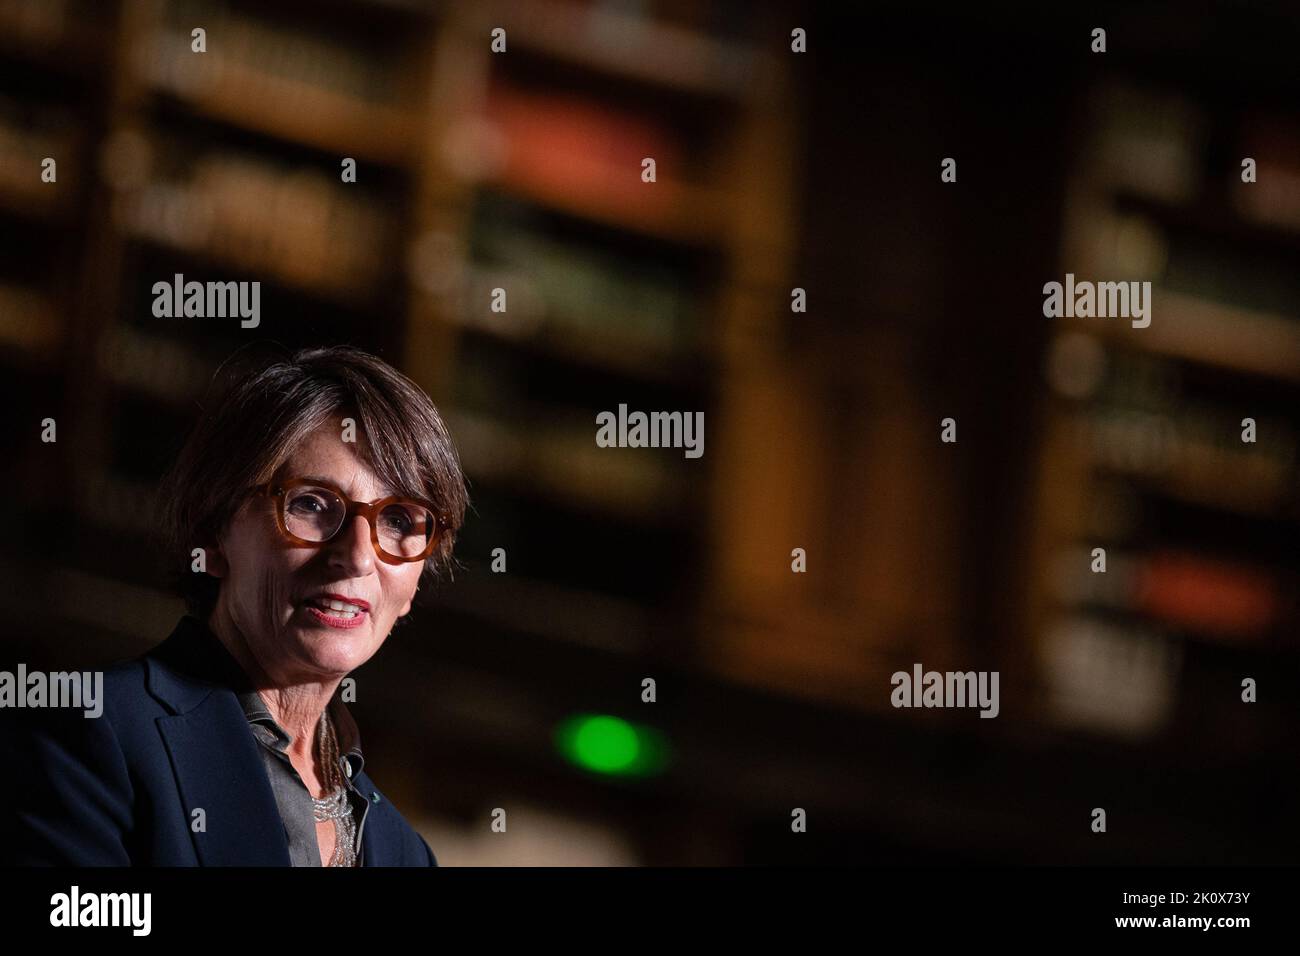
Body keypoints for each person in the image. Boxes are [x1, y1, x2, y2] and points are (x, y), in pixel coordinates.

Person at [1, 345, 468, 866]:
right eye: (311, 504)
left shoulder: (405, 854)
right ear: (216, 533)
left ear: (416, 584)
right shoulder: (95, 734)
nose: (357, 556)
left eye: (400, 520)